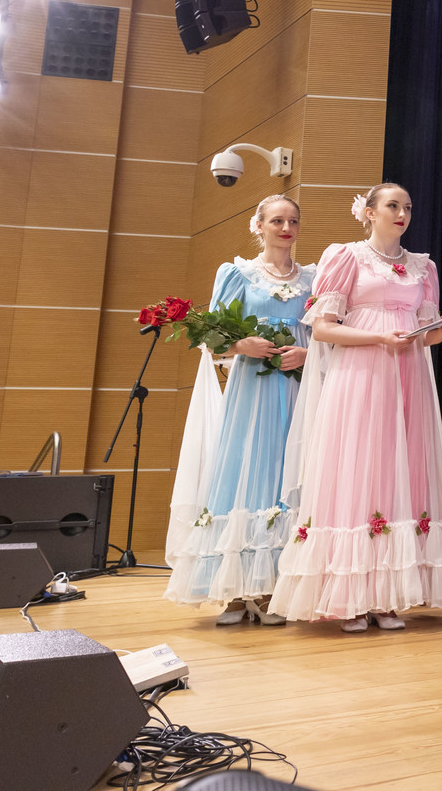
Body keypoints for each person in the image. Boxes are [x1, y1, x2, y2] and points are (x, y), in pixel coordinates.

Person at [269, 184, 442, 631]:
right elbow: (323, 329)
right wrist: (378, 337)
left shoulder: (424, 268)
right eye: (392, 205)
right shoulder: (346, 257)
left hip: (408, 378)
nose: (402, 213)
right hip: (360, 375)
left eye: (408, 207)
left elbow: (424, 333)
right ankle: (350, 599)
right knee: (359, 472)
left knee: (399, 475)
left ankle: (386, 597)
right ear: (370, 213)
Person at [165, 195, 314, 625]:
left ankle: (272, 588)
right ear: (259, 225)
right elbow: (211, 336)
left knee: (288, 473)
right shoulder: (237, 274)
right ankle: (234, 589)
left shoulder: (314, 279)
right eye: (277, 220)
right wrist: (241, 344)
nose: (286, 228)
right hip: (252, 390)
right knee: (246, 469)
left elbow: (324, 333)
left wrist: (306, 353)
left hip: (297, 389)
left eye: (293, 221)